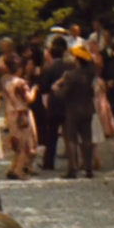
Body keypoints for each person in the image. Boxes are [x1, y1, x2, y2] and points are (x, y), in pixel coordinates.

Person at [53, 44, 97, 179]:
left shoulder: (71, 75)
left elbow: (63, 94)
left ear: (77, 60)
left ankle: (73, 168)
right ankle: (89, 168)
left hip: (73, 110)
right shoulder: (90, 74)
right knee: (87, 138)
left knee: (71, 139)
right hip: (88, 108)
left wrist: (56, 89)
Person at [1, 54, 38, 180]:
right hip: (21, 114)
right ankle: (19, 170)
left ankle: (12, 167)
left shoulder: (6, 82)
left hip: (11, 113)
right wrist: (34, 90)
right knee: (24, 144)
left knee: (16, 142)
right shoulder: (20, 83)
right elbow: (29, 99)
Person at [36, 37, 69, 171]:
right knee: (70, 134)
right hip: (68, 102)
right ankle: (74, 161)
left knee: (52, 134)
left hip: (54, 102)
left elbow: (43, 87)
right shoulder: (69, 66)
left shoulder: (48, 69)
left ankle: (49, 162)